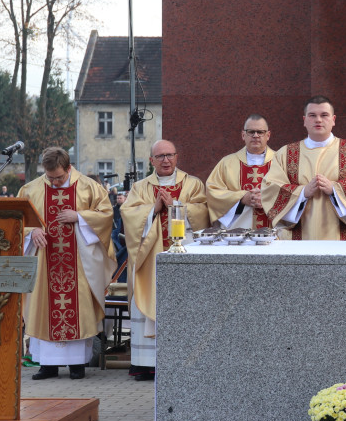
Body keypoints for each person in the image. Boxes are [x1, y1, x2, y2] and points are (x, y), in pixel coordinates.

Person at [18, 147, 114, 380]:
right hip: (44, 263)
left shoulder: (90, 188)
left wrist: (80, 217)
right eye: (49, 178)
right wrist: (32, 233)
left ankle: (77, 365)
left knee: (78, 307)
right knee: (43, 306)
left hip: (79, 263)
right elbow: (17, 219)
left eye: (59, 177)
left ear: (69, 168)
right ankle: (46, 365)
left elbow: (106, 215)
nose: (54, 182)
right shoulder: (31, 189)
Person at [120, 140, 208, 381]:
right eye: (160, 156)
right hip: (151, 260)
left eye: (170, 155)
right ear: (151, 161)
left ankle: (183, 362)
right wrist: (154, 208)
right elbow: (128, 215)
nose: (165, 160)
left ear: (177, 157)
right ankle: (146, 365)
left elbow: (204, 213)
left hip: (185, 259)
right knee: (147, 300)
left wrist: (177, 206)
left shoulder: (192, 184)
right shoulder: (140, 187)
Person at [261, 96, 346, 240]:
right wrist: (303, 192)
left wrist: (335, 190)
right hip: (299, 236)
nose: (318, 120)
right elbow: (270, 188)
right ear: (304, 120)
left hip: (345, 238)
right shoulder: (286, 154)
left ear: (333, 119)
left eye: (324, 115)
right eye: (312, 115)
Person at [206, 114, 275, 229]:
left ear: (268, 135)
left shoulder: (281, 161)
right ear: (243, 135)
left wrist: (268, 198)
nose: (256, 136)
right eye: (251, 132)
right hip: (237, 234)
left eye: (260, 132)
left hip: (273, 231)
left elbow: (292, 192)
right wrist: (242, 198)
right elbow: (213, 192)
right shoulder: (227, 163)